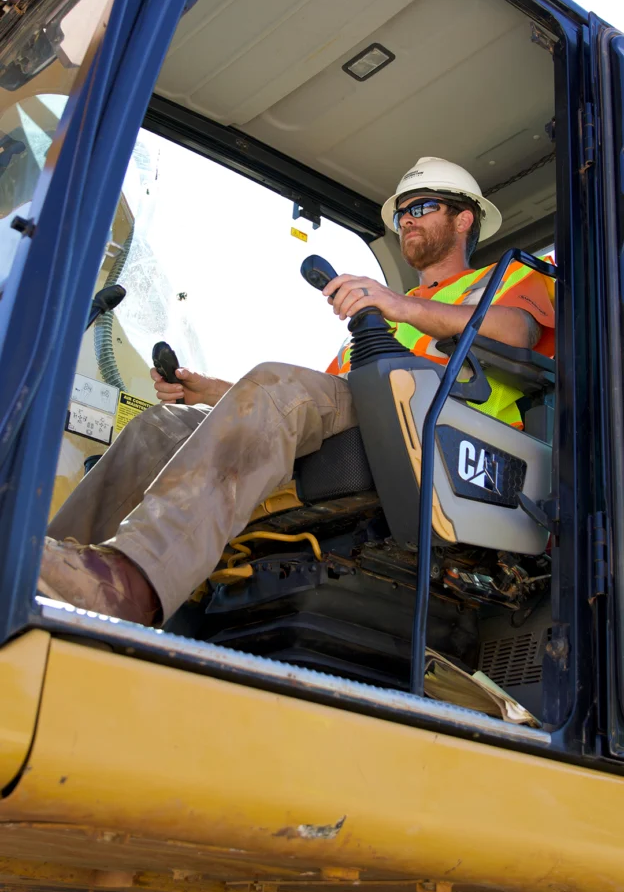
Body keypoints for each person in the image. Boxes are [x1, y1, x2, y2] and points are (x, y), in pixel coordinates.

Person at [39, 157, 555, 626]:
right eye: (401, 214)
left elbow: (519, 333)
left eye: (422, 206)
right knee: (158, 428)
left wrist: (399, 307)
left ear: (464, 219)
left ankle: (133, 584)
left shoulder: (505, 278)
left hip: (445, 438)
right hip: (369, 415)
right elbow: (307, 400)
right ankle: (49, 564)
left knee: (275, 383)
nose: (408, 221)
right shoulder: (390, 303)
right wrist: (211, 392)